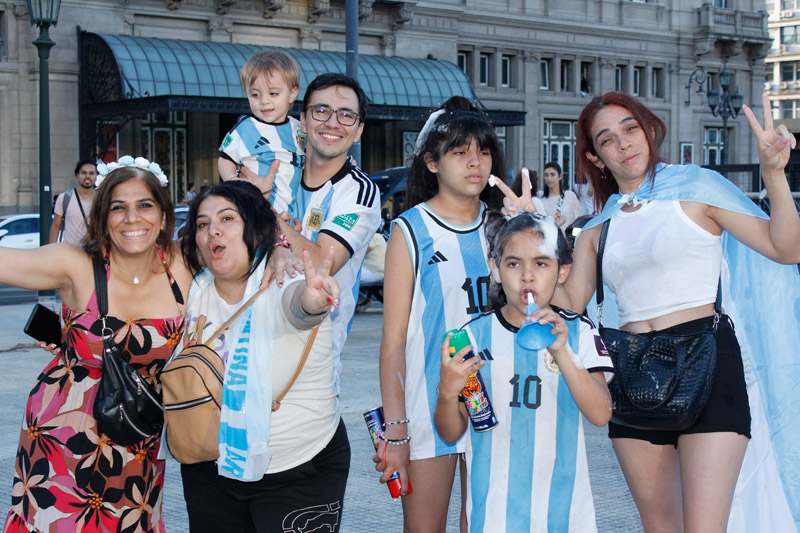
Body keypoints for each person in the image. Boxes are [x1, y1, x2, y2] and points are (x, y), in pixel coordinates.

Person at [554, 92, 800, 531]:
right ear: (595, 156)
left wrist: (774, 175)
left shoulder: (698, 188)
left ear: (650, 130)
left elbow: (786, 248)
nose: (624, 144)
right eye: (607, 139)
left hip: (708, 362)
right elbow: (568, 304)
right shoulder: (598, 226)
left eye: (630, 128)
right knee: (660, 526)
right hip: (633, 373)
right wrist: (529, 243)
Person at [3, 155, 192, 532]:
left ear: (163, 216)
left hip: (137, 437)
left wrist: (283, 249)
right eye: (118, 207)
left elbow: (249, 246)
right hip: (63, 436)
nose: (132, 218)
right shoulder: (75, 264)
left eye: (145, 205)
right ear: (102, 217)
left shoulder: (183, 264)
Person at [175, 180, 348, 532]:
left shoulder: (284, 277)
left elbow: (298, 306)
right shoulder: (194, 290)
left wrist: (313, 302)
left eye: (227, 218)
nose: (213, 230)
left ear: (254, 228)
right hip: (211, 468)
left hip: (297, 470)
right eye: (203, 224)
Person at [432, 212, 613, 532]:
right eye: (514, 264)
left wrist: (563, 353)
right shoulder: (471, 338)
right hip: (493, 517)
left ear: (562, 271)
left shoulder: (578, 331)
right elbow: (451, 433)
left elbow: (601, 413)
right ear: (496, 269)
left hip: (564, 515)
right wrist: (447, 393)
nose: (527, 276)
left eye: (541, 263)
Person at [376, 96, 507, 531]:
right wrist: (396, 429)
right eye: (460, 151)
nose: (475, 162)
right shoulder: (411, 230)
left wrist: (540, 229)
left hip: (497, 401)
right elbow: (393, 341)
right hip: (428, 403)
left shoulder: (505, 227)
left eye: (483, 151)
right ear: (432, 162)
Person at [247, 73, 381, 396]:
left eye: (346, 115)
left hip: (308, 376)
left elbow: (320, 263)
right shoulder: (276, 173)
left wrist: (262, 211)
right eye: (321, 111)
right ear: (303, 120)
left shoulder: (358, 192)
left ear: (359, 130)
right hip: (245, 357)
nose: (332, 122)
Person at [219, 50, 304, 214]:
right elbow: (225, 157)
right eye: (255, 95)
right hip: (255, 211)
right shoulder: (246, 128)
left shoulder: (300, 129)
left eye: (273, 93)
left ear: (292, 93)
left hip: (292, 213)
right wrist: (232, 180)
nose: (264, 101)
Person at [49, 159, 98, 245]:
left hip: (92, 250)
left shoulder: (101, 199)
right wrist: (50, 251)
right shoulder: (64, 198)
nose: (87, 176)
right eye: (84, 173)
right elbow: (56, 226)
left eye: (91, 173)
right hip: (69, 250)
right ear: (77, 175)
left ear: (96, 176)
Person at [537, 162, 581, 230]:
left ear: (560, 176)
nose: (549, 178)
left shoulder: (569, 196)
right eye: (546, 175)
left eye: (552, 175)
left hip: (566, 235)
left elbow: (577, 218)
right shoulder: (540, 197)